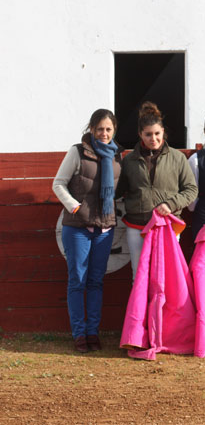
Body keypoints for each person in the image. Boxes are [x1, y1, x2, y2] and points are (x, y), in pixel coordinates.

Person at [52, 109, 122, 352]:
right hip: (78, 227)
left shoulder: (117, 156)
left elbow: (117, 191)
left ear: (114, 131)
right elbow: (58, 183)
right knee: (78, 281)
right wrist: (74, 208)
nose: (104, 133)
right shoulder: (77, 151)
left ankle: (93, 332)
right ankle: (79, 334)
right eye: (100, 128)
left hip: (104, 228)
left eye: (108, 129)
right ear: (91, 129)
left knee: (95, 281)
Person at [116, 102, 198, 278]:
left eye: (157, 134)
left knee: (167, 276)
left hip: (168, 224)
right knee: (139, 275)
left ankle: (164, 307)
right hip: (137, 225)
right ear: (140, 135)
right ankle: (141, 307)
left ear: (163, 133)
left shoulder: (178, 158)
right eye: (148, 134)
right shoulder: (129, 160)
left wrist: (170, 204)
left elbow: (191, 189)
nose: (153, 138)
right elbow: (119, 191)